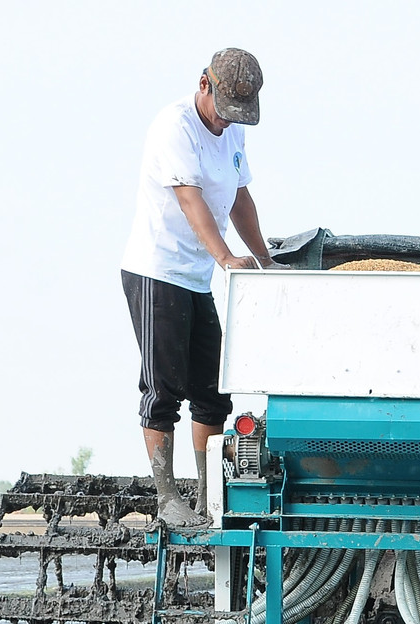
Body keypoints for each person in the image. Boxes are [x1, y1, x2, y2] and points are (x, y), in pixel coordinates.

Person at [120, 48, 274, 527]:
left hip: (195, 277)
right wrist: (226, 257)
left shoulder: (233, 132)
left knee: (212, 388)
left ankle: (208, 493)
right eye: (224, 110)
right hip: (157, 271)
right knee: (164, 387)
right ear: (204, 84)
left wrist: (265, 259)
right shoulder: (175, 127)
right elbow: (191, 200)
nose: (229, 122)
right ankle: (167, 497)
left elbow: (238, 196)